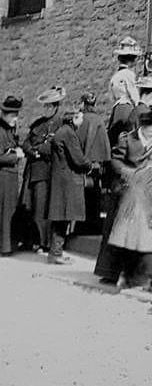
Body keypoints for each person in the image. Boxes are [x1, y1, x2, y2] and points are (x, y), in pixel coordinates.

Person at [108, 109, 152, 288]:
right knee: (130, 238)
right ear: (141, 127)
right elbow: (115, 160)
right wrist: (126, 171)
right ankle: (127, 275)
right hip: (132, 193)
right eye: (151, 128)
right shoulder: (127, 139)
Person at [21, 85, 66, 251]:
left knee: (41, 208)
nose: (46, 109)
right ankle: (30, 239)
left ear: (55, 107)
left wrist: (38, 149)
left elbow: (54, 147)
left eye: (49, 106)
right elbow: (26, 143)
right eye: (44, 106)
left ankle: (43, 242)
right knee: (28, 206)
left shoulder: (60, 125)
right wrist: (32, 150)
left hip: (45, 173)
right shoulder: (37, 124)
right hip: (31, 171)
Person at [46, 109, 93, 264]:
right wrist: (89, 165)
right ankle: (56, 253)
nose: (82, 121)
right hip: (67, 181)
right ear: (73, 118)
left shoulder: (62, 131)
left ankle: (55, 252)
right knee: (63, 217)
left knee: (60, 217)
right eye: (80, 118)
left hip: (60, 179)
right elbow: (78, 159)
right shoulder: (69, 134)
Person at [76, 91, 111, 232]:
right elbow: (105, 146)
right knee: (94, 195)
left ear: (84, 104)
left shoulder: (80, 119)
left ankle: (82, 225)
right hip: (97, 165)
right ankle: (93, 224)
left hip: (82, 165)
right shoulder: (99, 120)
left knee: (83, 196)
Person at [0, 96, 24, 256]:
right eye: (12, 115)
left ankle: (7, 245)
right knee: (4, 211)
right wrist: (17, 156)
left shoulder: (9, 129)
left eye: (16, 115)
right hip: (3, 177)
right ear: (4, 114)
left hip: (10, 177)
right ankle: (4, 247)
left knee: (9, 211)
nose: (15, 119)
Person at [108, 36, 142, 146]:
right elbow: (134, 95)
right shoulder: (129, 75)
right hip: (127, 108)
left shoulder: (115, 76)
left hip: (117, 108)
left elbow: (111, 96)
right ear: (133, 59)